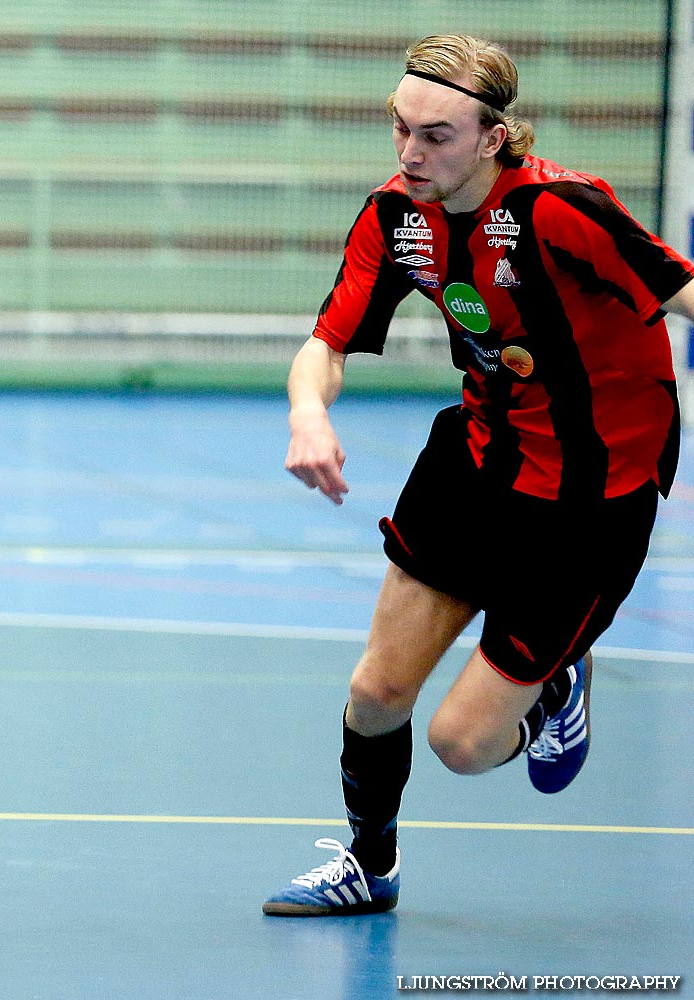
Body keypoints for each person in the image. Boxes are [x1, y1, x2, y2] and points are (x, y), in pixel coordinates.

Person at [264, 34, 694, 916]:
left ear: (494, 138)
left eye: (435, 137)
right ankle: (367, 866)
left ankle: (557, 679)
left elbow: (681, 288)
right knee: (376, 691)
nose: (410, 154)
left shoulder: (561, 209)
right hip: (477, 457)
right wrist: (309, 413)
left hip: (593, 494)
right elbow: (326, 344)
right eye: (399, 130)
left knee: (462, 745)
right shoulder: (393, 218)